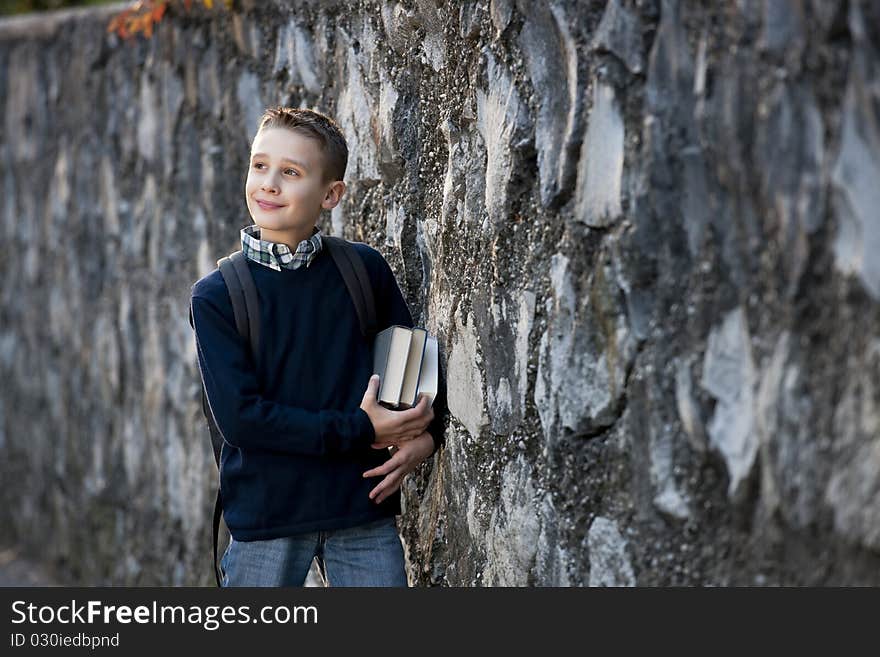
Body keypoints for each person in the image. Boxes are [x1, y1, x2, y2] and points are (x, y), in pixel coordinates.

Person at [189, 106, 447, 587]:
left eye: (291, 172)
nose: (269, 183)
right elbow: (243, 420)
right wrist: (360, 428)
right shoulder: (219, 295)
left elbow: (413, 371)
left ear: (331, 194)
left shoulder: (362, 271)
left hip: (362, 513)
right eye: (260, 165)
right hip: (268, 521)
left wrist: (426, 438)